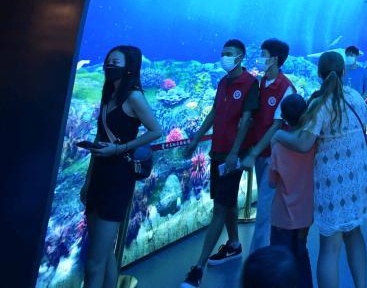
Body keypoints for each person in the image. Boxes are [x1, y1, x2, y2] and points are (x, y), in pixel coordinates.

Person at [273, 51, 367, 288]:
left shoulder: (320, 104)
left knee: (330, 246)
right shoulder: (356, 97)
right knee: (354, 233)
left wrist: (278, 135)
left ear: (319, 74)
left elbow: (304, 143)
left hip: (332, 182)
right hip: (359, 176)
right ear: (344, 72)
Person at [81, 45, 163, 288]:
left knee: (94, 262)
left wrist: (120, 148)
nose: (109, 66)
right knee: (103, 253)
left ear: (129, 68)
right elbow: (99, 137)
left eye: (115, 63)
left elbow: (156, 130)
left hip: (118, 177)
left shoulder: (134, 97)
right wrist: (87, 180)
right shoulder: (108, 95)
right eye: (108, 61)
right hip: (99, 174)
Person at [183, 40, 260, 287]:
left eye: (229, 54)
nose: (224, 57)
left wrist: (235, 152)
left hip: (232, 156)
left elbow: (247, 120)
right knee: (227, 203)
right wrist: (196, 139)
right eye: (223, 53)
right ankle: (235, 244)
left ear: (240, 56)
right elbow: (214, 113)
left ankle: (198, 267)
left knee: (219, 208)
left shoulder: (250, 83)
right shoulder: (223, 82)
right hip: (217, 152)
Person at [239, 39, 295, 251]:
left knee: (264, 209)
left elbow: (276, 126)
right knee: (267, 206)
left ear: (274, 59)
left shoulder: (286, 88)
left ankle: (258, 259)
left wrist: (253, 153)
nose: (260, 58)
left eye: (263, 54)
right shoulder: (262, 83)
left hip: (274, 155)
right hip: (260, 152)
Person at [268, 94, 315, 288]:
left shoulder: (278, 147)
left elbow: (272, 183)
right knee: (302, 255)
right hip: (305, 215)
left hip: (282, 217)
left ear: (284, 118)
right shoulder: (311, 144)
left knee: (280, 262)